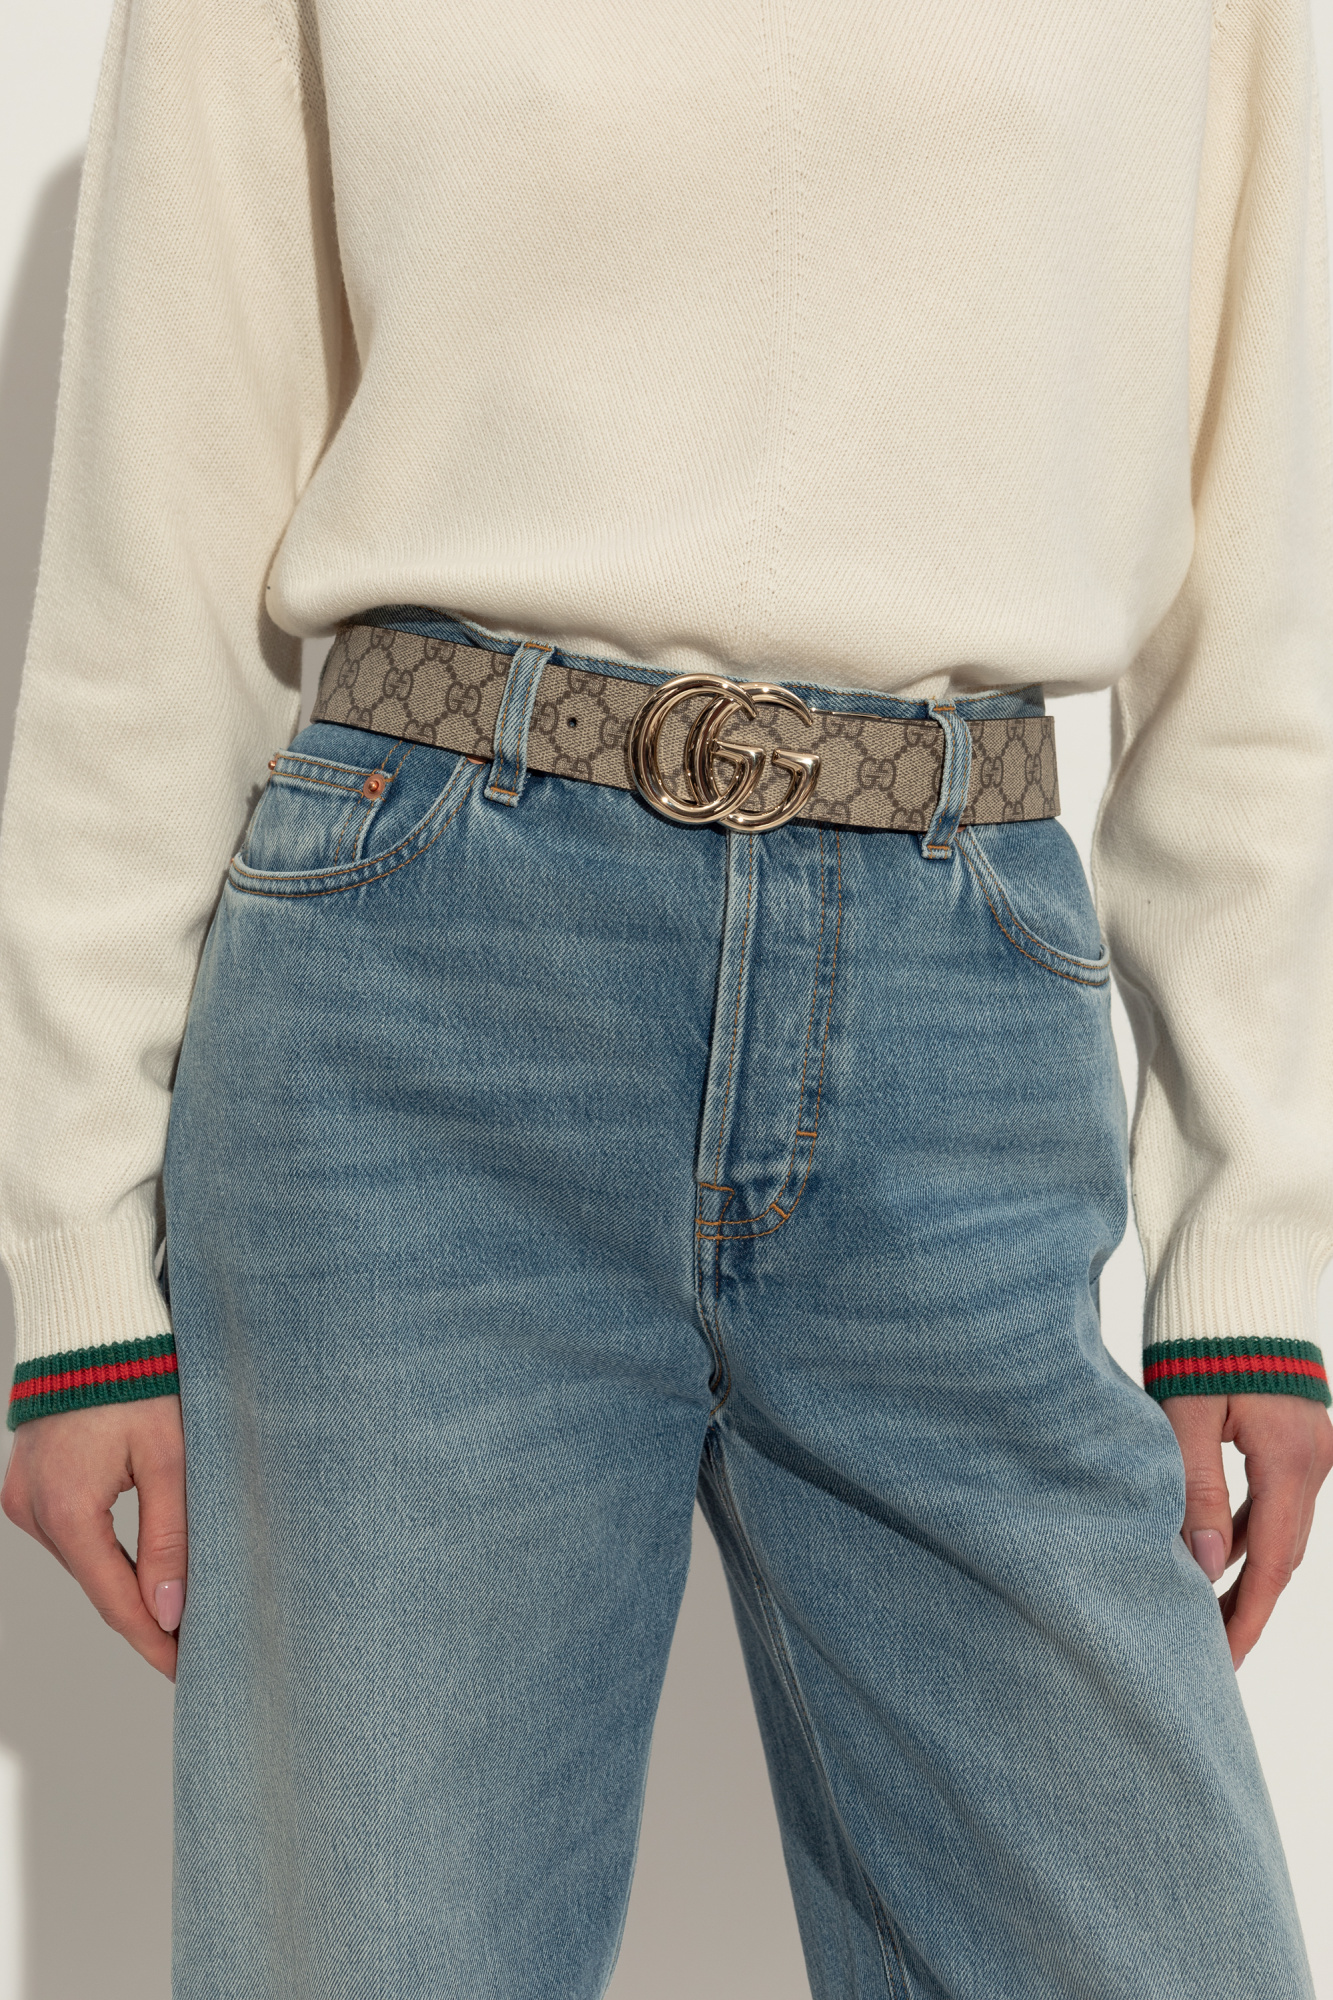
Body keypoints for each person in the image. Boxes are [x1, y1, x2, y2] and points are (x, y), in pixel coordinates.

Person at [2, 0, 1331, 1993]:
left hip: (961, 1009)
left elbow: (1265, 577)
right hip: (422, 1012)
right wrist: (73, 1262)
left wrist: (1255, 1233)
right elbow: (155, 534)